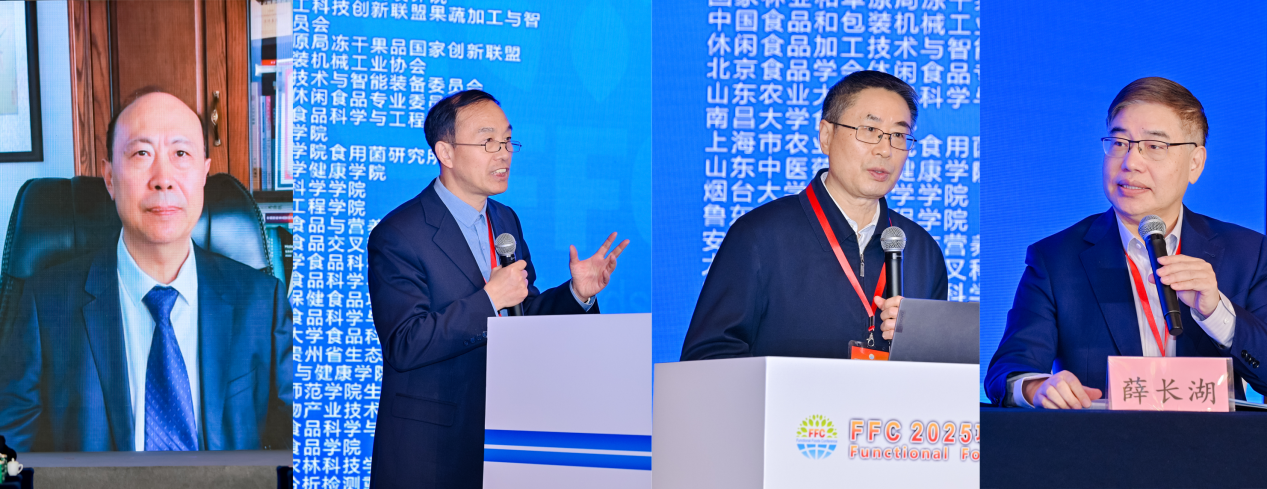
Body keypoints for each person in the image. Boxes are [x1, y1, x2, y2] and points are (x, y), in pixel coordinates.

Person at [0, 89, 292, 451]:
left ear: (203, 174)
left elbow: (301, 444)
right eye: (142, 153)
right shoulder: (46, 306)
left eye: (181, 154)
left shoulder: (262, 302)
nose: (163, 178)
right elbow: (10, 454)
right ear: (109, 177)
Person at [366, 90, 628, 489]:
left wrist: (577, 293)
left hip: (507, 442)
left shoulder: (505, 221)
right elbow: (405, 342)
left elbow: (522, 315)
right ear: (446, 152)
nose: (503, 154)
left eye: (507, 141)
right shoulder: (400, 233)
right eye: (488, 141)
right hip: (431, 451)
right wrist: (489, 300)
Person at [985, 77, 1267, 408]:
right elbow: (1007, 371)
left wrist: (1217, 312)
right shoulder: (1056, 258)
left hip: (1215, 441)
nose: (1130, 162)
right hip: (1103, 440)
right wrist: (1037, 388)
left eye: (1154, 146)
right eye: (1119, 143)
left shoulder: (1248, 253)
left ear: (1195, 163)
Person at [680, 71, 948, 360]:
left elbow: (940, 370)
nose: (885, 150)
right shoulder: (760, 237)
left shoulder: (922, 251)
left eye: (898, 135)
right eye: (870, 130)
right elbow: (707, 357)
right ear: (826, 136)